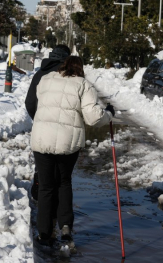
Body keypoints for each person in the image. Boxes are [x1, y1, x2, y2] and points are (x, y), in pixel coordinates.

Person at [31, 56, 115, 245]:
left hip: (41, 138)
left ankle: (44, 233)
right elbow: (93, 118)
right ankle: (66, 227)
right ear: (81, 69)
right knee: (64, 182)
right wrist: (108, 114)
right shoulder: (83, 85)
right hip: (67, 143)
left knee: (45, 186)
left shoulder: (46, 80)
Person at [26, 44, 71, 202]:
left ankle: (41, 194)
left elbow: (30, 102)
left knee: (44, 163)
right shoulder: (71, 75)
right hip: (66, 129)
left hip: (43, 128)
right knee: (62, 170)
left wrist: (39, 119)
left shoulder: (40, 73)